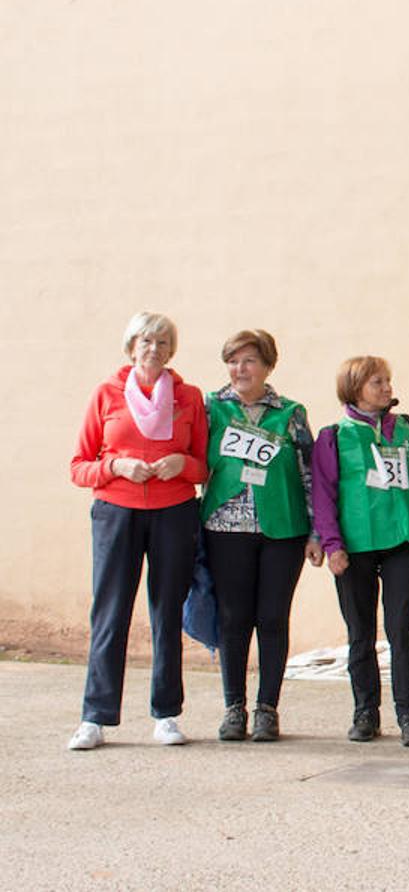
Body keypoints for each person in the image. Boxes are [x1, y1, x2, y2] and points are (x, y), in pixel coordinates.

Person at [68, 312, 207, 750]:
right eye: (146, 340)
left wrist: (181, 464)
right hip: (116, 513)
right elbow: (79, 466)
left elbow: (205, 466)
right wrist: (116, 466)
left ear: (171, 351)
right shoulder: (107, 393)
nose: (154, 348)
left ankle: (166, 714)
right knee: (110, 613)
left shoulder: (189, 396)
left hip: (174, 512)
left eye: (163, 342)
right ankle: (95, 716)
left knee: (167, 612)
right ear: (131, 347)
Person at [313, 356, 409, 747]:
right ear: (355, 388)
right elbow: (323, 494)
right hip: (354, 545)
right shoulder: (334, 435)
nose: (387, 388)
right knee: (361, 631)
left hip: (405, 538)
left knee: (401, 628)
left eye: (388, 381)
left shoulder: (408, 429)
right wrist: (332, 544)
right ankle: (365, 712)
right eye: (378, 382)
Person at [201, 330, 324, 743]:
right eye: (233, 361)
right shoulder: (211, 409)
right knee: (233, 619)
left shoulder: (290, 413)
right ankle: (233, 707)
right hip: (225, 527)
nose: (240, 369)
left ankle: (267, 708)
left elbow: (310, 475)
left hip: (282, 529)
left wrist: (315, 531)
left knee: (272, 618)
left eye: (249, 360)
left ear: (267, 366)